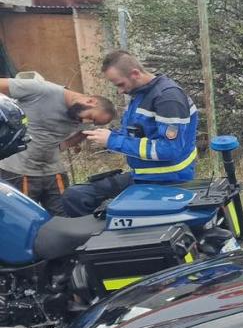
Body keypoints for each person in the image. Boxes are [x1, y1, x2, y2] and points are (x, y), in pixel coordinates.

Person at [62, 50, 199, 217]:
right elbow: (138, 136)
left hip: (167, 180)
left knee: (82, 198)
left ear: (135, 73)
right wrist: (105, 136)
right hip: (145, 176)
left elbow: (169, 149)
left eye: (119, 84)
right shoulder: (141, 95)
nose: (119, 91)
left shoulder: (168, 99)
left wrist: (112, 140)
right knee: (76, 195)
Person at [0, 78, 115, 215]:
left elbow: (79, 135)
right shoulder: (41, 90)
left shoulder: (82, 120)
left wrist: (61, 147)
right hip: (18, 171)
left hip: (54, 174)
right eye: (91, 117)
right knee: (21, 218)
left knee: (64, 219)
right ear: (90, 101)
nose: (87, 122)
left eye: (93, 122)